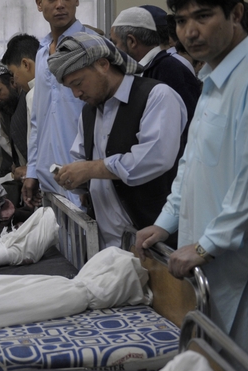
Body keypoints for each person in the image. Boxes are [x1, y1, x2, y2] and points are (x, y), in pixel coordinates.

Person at [136, 0, 248, 370]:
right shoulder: (213, 79)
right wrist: (165, 223)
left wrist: (207, 245)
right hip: (206, 266)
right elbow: (191, 166)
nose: (189, 32)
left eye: (203, 16)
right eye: (180, 20)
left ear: (236, 14)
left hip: (242, 272)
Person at [48, 32, 187, 248]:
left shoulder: (156, 96)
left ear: (103, 65)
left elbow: (154, 159)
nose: (76, 94)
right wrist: (74, 178)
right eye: (70, 88)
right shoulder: (89, 112)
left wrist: (89, 170)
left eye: (78, 82)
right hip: (107, 243)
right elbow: (82, 160)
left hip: (153, 243)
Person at [111, 6, 201, 176]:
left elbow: (188, 133)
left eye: (115, 43)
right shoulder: (141, 70)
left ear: (131, 41)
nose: (114, 50)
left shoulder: (171, 70)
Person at [24, 0, 96, 208]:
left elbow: (105, 115)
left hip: (82, 170)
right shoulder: (42, 52)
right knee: (58, 236)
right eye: (52, 0)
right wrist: (32, 170)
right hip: (49, 172)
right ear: (39, 4)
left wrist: (93, 174)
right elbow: (38, 119)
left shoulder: (91, 44)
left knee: (88, 236)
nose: (60, 5)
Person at [1, 33, 40, 181]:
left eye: (13, 74)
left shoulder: (34, 94)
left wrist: (31, 174)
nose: (15, 82)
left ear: (25, 64)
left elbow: (35, 147)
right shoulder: (56, 86)